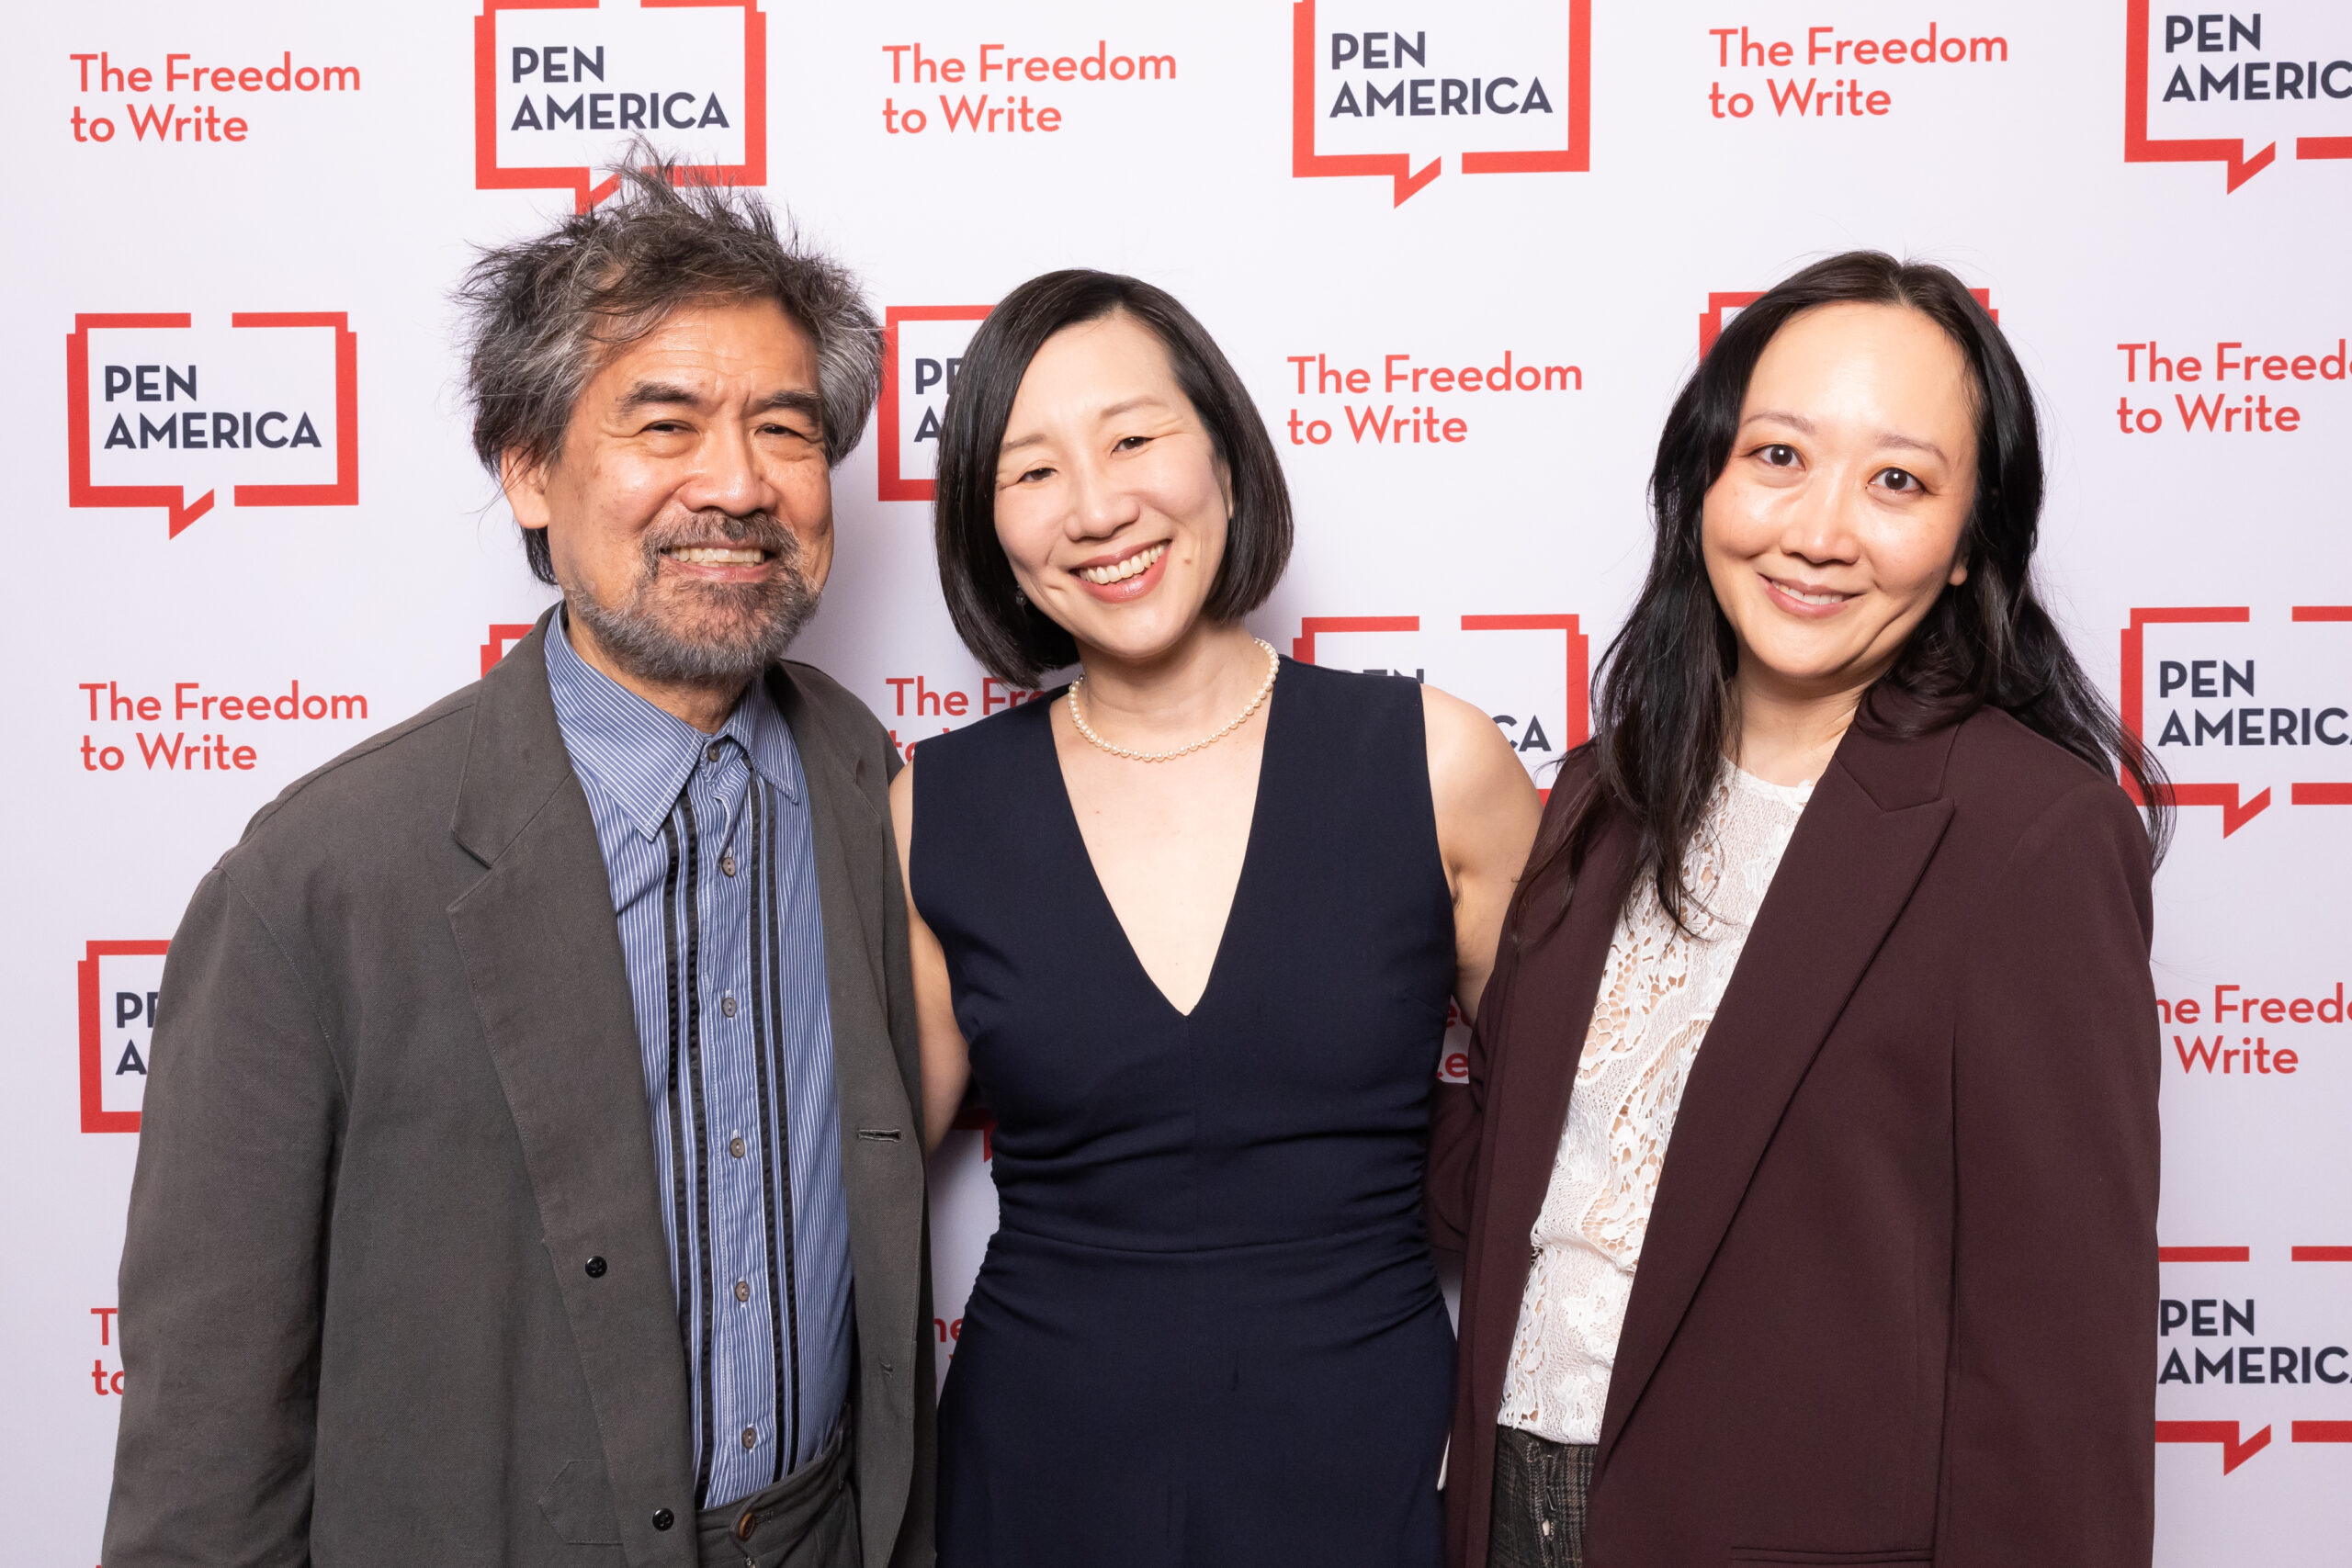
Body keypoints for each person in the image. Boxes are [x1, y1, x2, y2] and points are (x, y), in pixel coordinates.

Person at [103, 167, 933, 1568]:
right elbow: (209, 1444)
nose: (735, 484)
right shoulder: (323, 879)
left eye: (784, 430)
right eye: (663, 424)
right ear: (530, 468)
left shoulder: (877, 787)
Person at [1429, 252, 2167, 1568]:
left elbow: (2059, 1371)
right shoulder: (1606, 794)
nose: (1820, 531)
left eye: (1898, 481)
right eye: (1777, 456)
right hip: (1505, 1511)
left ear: (1964, 549)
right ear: (1703, 479)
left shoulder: (2030, 836)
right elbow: (1528, 1189)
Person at [891, 270, 1541, 1566]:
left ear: (1226, 460)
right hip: (1041, 1478)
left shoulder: (1433, 762)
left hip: (1375, 1464)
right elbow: (856, 1171)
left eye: (1134, 439)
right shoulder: (935, 810)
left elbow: (1583, 1147)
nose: (1098, 507)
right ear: (989, 531)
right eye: (1032, 472)